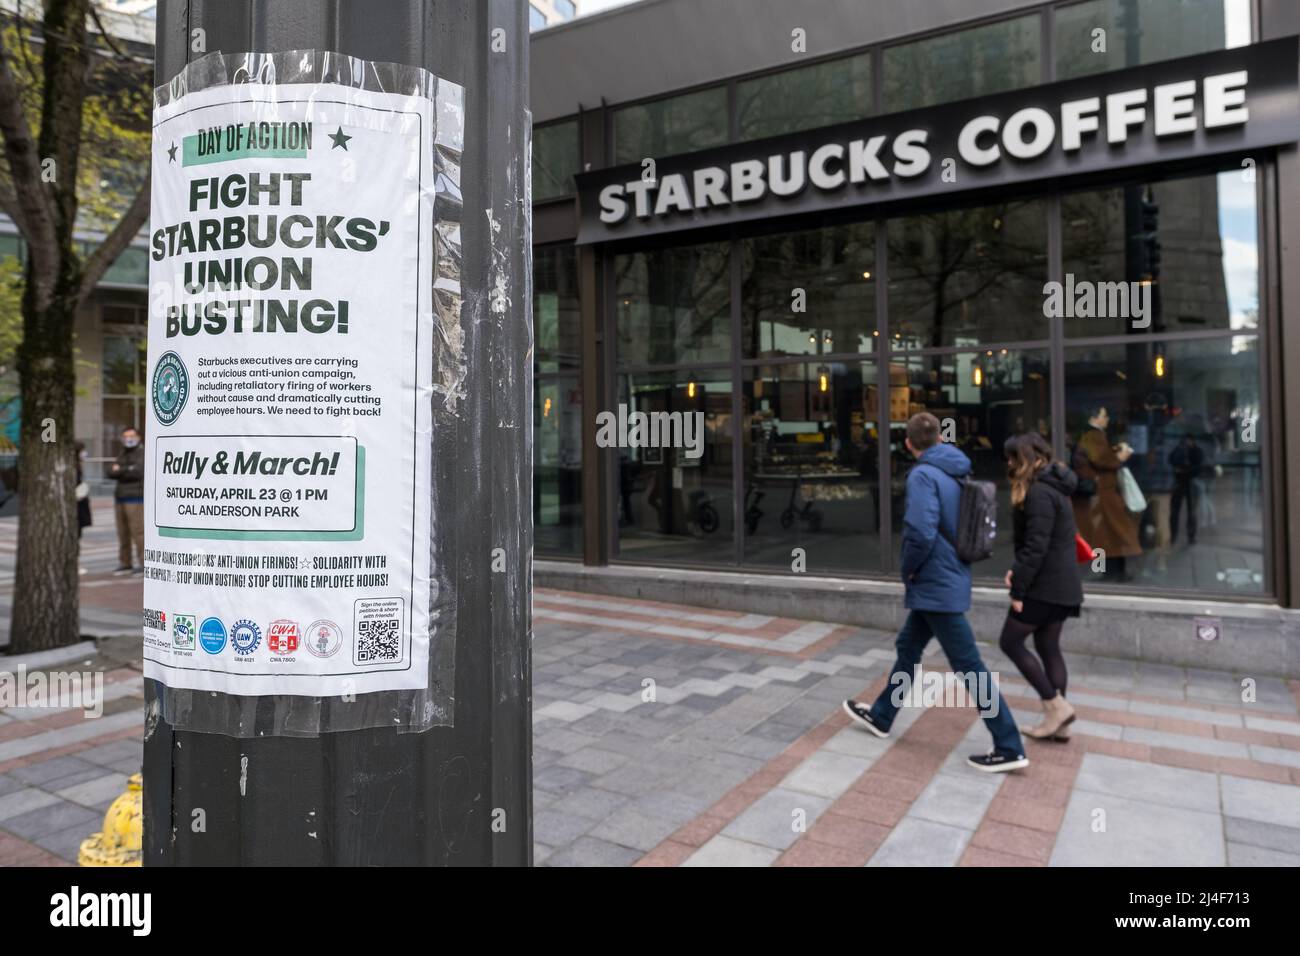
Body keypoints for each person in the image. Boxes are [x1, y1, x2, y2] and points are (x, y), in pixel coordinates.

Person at [843, 412, 1028, 773]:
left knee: (969, 665)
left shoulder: (923, 475)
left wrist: (907, 568)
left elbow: (921, 531)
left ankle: (1009, 744)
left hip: (934, 580)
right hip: (949, 573)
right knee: (908, 647)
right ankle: (882, 715)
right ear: (940, 438)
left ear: (908, 444)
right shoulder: (957, 469)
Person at [998, 433, 1084, 740]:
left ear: (1022, 459)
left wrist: (1018, 589)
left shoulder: (1039, 494)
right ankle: (1057, 724)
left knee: (1010, 642)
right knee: (1048, 647)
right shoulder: (1056, 487)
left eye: (1011, 458)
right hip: (1062, 584)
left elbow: (1036, 546)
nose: (1008, 464)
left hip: (1045, 586)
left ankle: (1055, 707)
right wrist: (1017, 571)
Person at [1072, 405, 1140, 581]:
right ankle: (1108, 571)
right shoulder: (1093, 435)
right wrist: (1119, 457)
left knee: (1104, 533)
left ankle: (1106, 571)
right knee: (1105, 533)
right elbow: (1100, 459)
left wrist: (1114, 452)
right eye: (1104, 415)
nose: (1107, 418)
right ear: (1094, 419)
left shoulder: (1093, 435)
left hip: (1102, 492)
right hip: (1102, 493)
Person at [108, 426, 145, 575]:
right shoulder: (122, 453)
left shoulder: (142, 453)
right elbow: (110, 472)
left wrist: (120, 470)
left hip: (136, 498)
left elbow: (138, 472)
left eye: (131, 436)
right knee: (122, 533)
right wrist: (125, 469)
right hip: (120, 497)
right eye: (125, 437)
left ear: (138, 437)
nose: (128, 439)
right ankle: (125, 562)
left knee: (138, 532)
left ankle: (144, 563)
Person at [1169, 433, 1204, 546]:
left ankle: (1191, 536)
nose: (1186, 443)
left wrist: (1185, 470)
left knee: (1191, 511)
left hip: (1190, 482)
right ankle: (1173, 535)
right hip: (1180, 483)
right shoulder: (1179, 450)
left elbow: (1198, 468)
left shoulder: (1196, 451)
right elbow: (1171, 460)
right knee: (1175, 511)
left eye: (1188, 441)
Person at [74, 440, 93, 576]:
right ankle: (74, 565)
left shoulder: (77, 467)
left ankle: (75, 564)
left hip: (79, 505)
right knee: (75, 536)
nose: (84, 454)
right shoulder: (73, 468)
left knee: (77, 536)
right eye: (82, 451)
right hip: (76, 507)